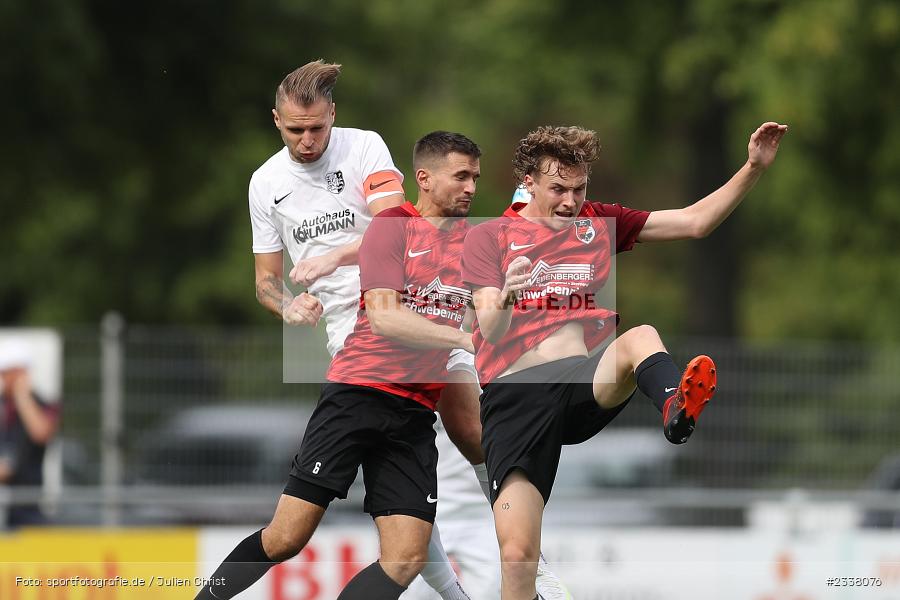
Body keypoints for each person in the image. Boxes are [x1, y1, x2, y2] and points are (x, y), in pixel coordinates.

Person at [463, 122, 787, 599]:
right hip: (516, 399)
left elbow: (695, 221)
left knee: (641, 338)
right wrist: (509, 294)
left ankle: (675, 407)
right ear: (527, 181)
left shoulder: (598, 221)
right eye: (558, 190)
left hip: (580, 382)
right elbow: (489, 328)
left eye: (579, 189)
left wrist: (753, 167)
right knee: (518, 557)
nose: (571, 202)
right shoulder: (489, 237)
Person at [196, 131, 482, 600]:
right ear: (425, 178)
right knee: (286, 538)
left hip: (414, 411)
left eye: (475, 177)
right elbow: (387, 319)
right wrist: (466, 338)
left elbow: (494, 306)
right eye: (461, 176)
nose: (471, 187)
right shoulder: (391, 228)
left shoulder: (477, 245)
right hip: (358, 395)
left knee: (406, 557)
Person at [0, 339, 59, 528]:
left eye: (5, 373)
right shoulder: (3, 406)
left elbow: (41, 433)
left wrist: (22, 396)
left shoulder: (43, 404)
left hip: (28, 507)